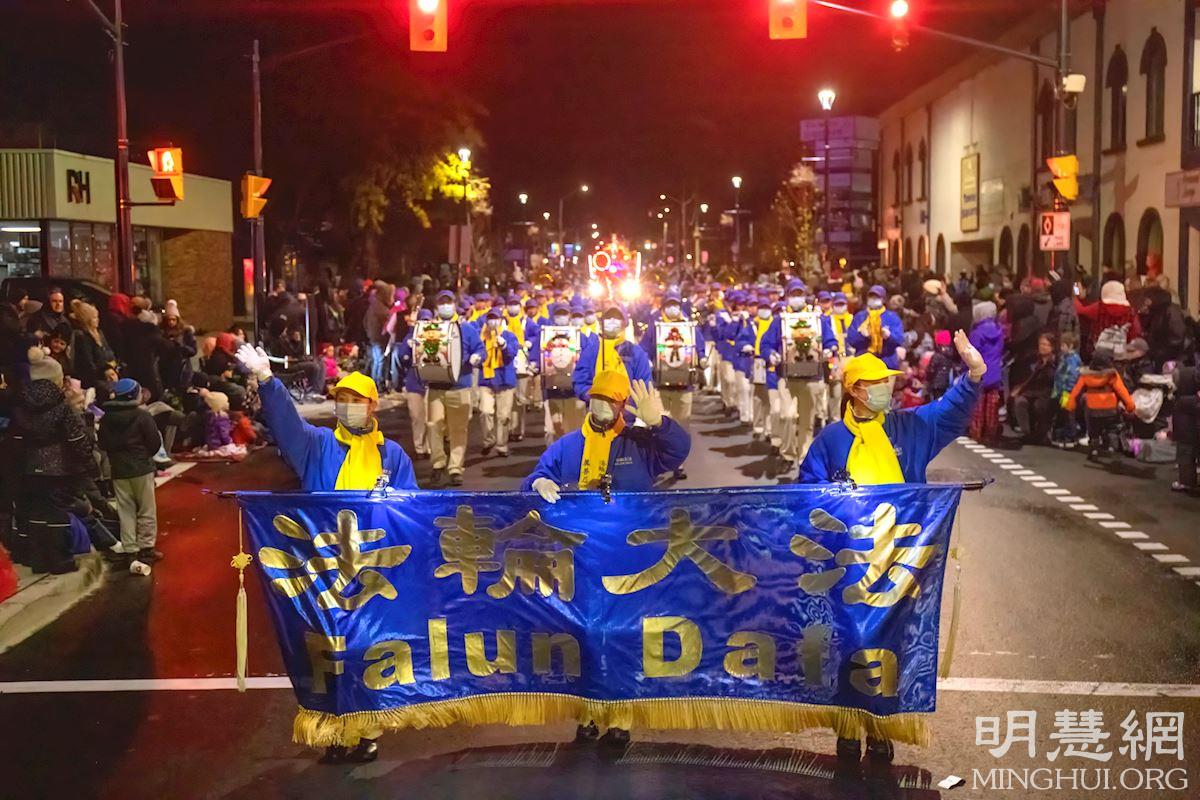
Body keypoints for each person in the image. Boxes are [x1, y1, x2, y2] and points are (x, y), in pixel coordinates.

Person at [236, 344, 417, 493]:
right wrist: (267, 380)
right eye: (342, 400)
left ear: (372, 406)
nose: (348, 406)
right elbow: (287, 424)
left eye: (356, 401)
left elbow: (411, 507)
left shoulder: (393, 454)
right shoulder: (318, 445)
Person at [523, 370, 690, 497]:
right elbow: (536, 477)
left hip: (631, 527)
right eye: (598, 396)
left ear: (623, 404)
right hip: (580, 527)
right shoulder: (566, 446)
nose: (603, 403)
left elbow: (678, 451)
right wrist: (538, 482)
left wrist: (660, 423)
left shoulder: (638, 442)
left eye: (611, 399)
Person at [97, 378, 163, 574]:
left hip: (119, 470)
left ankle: (130, 550)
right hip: (141, 468)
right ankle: (147, 549)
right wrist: (144, 456)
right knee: (146, 509)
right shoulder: (142, 415)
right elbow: (154, 442)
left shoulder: (107, 418)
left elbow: (102, 444)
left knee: (125, 510)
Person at [421, 290, 484, 487]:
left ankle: (455, 467)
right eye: (442, 303)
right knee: (433, 425)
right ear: (436, 306)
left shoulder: (466, 329)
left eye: (448, 302)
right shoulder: (428, 329)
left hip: (460, 385)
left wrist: (477, 357)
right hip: (436, 385)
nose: (445, 306)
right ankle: (438, 463)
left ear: (455, 304)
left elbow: (480, 348)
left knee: (458, 429)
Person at [1066, 350, 1135, 462]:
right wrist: (1130, 407)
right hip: (1110, 409)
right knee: (1112, 428)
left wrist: (1070, 405)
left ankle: (1094, 450)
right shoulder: (1112, 375)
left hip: (1092, 410)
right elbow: (1122, 391)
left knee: (1093, 431)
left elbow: (1076, 391)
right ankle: (1113, 448)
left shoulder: (1086, 375)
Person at [572, 305, 652, 401]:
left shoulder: (636, 352)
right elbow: (580, 382)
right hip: (597, 408)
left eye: (617, 318)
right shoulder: (591, 351)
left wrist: (626, 404)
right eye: (608, 317)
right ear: (601, 323)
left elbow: (644, 384)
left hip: (629, 408)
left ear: (624, 323)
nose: (612, 321)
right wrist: (595, 398)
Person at [477, 308, 519, 457]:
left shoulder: (509, 336)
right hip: (486, 380)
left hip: (505, 380)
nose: (493, 322)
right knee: (485, 411)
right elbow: (477, 352)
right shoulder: (482, 337)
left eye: (495, 318)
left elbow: (512, 354)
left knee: (504, 416)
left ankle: (502, 445)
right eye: (490, 318)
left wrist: (504, 345)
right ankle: (489, 440)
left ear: (501, 320)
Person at [967, 301, 1005, 446]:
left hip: (979, 373)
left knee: (977, 404)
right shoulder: (999, 331)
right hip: (995, 373)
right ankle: (991, 433)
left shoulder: (976, 333)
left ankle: (976, 432)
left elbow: (971, 354)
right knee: (991, 406)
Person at [1011, 334, 1057, 445]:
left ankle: (1041, 434)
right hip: (1032, 391)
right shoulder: (1034, 360)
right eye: (1041, 344)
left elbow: (1053, 379)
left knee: (1039, 405)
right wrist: (1020, 389)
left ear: (1052, 347)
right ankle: (1027, 433)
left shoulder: (1056, 361)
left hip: (1047, 392)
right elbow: (1029, 378)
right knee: (1019, 401)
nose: (1043, 347)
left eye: (1046, 344)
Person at [847, 285, 904, 368]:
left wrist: (889, 336)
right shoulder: (860, 316)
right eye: (871, 297)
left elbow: (899, 340)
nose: (873, 299)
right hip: (864, 363)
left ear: (883, 299)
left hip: (886, 363)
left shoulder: (892, 317)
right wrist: (862, 336)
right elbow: (851, 339)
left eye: (877, 297)